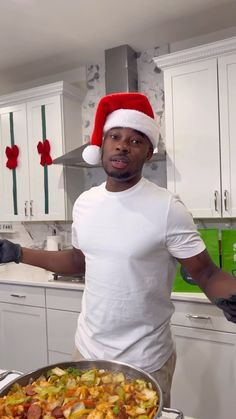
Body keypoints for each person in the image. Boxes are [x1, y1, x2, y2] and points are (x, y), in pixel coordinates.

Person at [1, 92, 236, 408]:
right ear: (102, 145)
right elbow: (77, 260)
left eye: (136, 140)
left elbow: (207, 273)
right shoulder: (85, 203)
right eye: (115, 136)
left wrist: (229, 297)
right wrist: (18, 252)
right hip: (86, 350)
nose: (123, 145)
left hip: (146, 358)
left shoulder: (167, 207)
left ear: (148, 154)